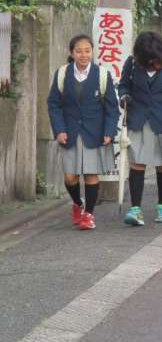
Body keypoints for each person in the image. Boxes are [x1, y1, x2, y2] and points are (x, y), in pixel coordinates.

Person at [47, 34, 119, 230]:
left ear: (92, 52)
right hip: (69, 133)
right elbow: (53, 104)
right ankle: (78, 203)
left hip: (94, 133)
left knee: (90, 174)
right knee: (70, 177)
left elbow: (112, 108)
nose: (84, 55)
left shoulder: (102, 74)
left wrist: (109, 131)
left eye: (87, 51)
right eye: (79, 51)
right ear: (72, 53)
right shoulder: (62, 74)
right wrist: (59, 129)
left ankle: (88, 215)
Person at [118, 32, 162, 226]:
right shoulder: (132, 63)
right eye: (146, 60)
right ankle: (135, 210)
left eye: (154, 60)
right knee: (137, 164)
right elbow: (123, 86)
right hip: (138, 120)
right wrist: (124, 97)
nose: (151, 63)